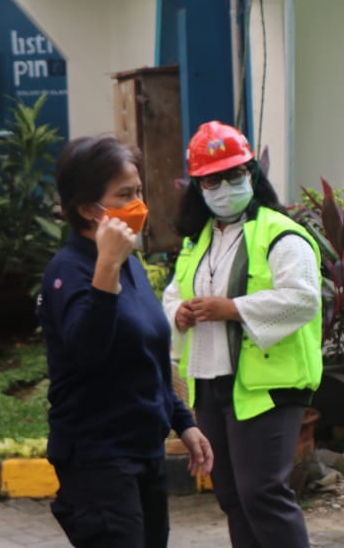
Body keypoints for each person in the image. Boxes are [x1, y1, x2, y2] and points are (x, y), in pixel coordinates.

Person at [38, 136, 213, 548]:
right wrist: (106, 269)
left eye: (139, 191)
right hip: (97, 457)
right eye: (124, 195)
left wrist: (183, 422)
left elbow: (149, 356)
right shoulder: (69, 272)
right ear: (87, 208)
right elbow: (87, 353)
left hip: (144, 451)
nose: (138, 205)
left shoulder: (129, 265)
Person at [163, 121, 322, 548]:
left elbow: (303, 299)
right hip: (211, 382)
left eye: (235, 175)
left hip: (269, 384)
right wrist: (179, 313)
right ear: (198, 187)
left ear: (251, 174)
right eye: (213, 180)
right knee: (233, 496)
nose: (225, 187)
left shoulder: (280, 233)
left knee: (263, 493)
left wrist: (232, 309)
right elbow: (174, 294)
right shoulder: (197, 241)